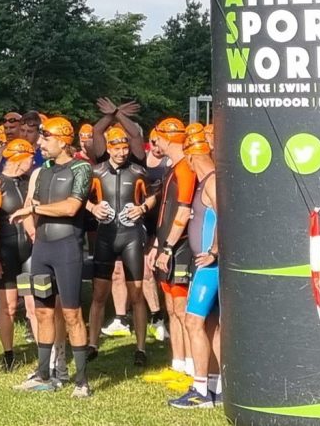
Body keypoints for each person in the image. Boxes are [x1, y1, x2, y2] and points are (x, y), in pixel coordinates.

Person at [16, 116, 95, 398]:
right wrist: (32, 218)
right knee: (42, 311)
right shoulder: (42, 171)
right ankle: (43, 374)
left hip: (67, 248)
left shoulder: (81, 168)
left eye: (45, 138)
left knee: (72, 314)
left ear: (62, 140)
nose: (40, 143)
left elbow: (72, 207)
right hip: (42, 248)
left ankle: (81, 381)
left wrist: (34, 209)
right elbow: (33, 204)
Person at [86, 125, 154, 366]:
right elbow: (80, 198)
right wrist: (93, 208)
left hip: (131, 237)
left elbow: (153, 195)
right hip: (105, 237)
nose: (122, 153)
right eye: (117, 149)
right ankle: (92, 344)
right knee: (99, 294)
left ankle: (141, 348)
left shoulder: (137, 171)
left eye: (125, 149)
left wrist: (142, 208)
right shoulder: (96, 172)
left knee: (136, 293)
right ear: (108, 148)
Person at [170, 130, 221, 409]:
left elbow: (225, 218)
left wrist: (214, 251)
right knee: (211, 325)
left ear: (191, 156)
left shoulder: (212, 181)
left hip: (209, 267)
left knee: (193, 322)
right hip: (208, 264)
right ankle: (216, 385)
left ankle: (200, 390)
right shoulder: (208, 181)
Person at [146, 117, 197, 390]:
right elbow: (166, 211)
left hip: (181, 246)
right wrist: (158, 244)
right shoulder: (172, 167)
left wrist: (167, 247)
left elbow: (184, 210)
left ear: (166, 138)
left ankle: (191, 365)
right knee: (171, 307)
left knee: (181, 307)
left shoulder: (185, 168)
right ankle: (177, 363)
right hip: (167, 243)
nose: (154, 145)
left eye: (155, 140)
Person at [0, 137, 35, 372]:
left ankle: (44, 354)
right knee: (9, 307)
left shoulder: (29, 182)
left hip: (30, 251)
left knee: (35, 304)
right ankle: (8, 354)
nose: (33, 162)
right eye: (30, 158)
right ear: (19, 159)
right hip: (5, 250)